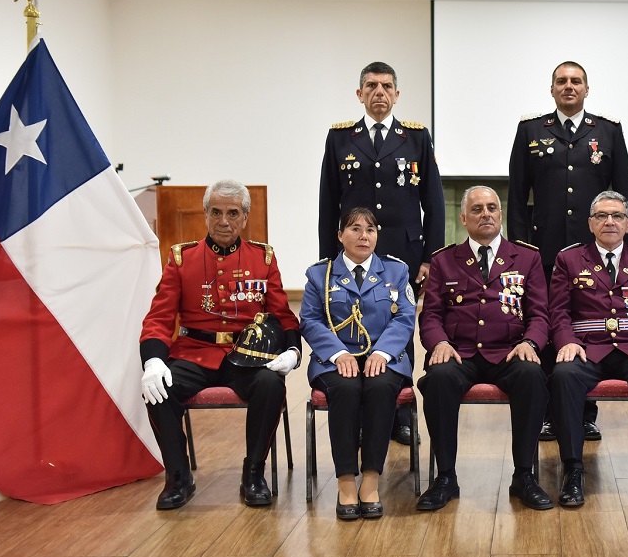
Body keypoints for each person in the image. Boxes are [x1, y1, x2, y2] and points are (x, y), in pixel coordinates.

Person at [139, 180, 301, 510]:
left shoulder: (263, 258)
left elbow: (282, 313)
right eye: (216, 212)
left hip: (245, 357)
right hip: (193, 354)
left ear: (244, 217)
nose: (223, 221)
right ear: (205, 215)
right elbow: (158, 317)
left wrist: (293, 351)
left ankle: (254, 473)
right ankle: (178, 476)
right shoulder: (181, 259)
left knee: (271, 384)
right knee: (158, 388)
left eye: (232, 213)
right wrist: (153, 361)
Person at [317, 61, 445, 446]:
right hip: (352, 255)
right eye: (371, 86)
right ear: (359, 94)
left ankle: (399, 415)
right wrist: (328, 261)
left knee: (399, 330)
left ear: (396, 94)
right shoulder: (340, 138)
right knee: (353, 326)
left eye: (386, 86)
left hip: (403, 253)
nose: (379, 92)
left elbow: (434, 202)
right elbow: (328, 203)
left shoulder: (416, 137)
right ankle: (358, 414)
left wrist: (429, 257)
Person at [508, 61, 628, 442]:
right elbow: (517, 194)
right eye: (561, 81)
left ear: (586, 89)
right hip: (542, 249)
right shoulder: (531, 130)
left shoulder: (608, 132)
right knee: (546, 325)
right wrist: (518, 248)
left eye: (575, 81)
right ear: (552, 90)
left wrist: (620, 243)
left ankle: (585, 412)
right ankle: (549, 411)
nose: (568, 87)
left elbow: (623, 190)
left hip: (593, 251)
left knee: (586, 323)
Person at [415, 186, 553, 511]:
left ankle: (524, 476)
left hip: (509, 351)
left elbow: (539, 313)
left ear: (501, 214)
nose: (486, 214)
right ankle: (445, 477)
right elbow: (431, 314)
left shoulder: (527, 257)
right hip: (459, 352)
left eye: (492, 207)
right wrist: (439, 343)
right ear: (463, 218)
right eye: (477, 209)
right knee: (438, 379)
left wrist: (530, 343)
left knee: (533, 376)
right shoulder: (444, 260)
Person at [549, 191, 628, 508]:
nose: (610, 221)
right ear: (590, 223)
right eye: (602, 216)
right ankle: (573, 469)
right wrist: (567, 342)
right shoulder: (569, 259)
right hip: (587, 349)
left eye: (617, 216)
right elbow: (558, 312)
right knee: (563, 375)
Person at [300, 207, 416, 520]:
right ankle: (346, 481)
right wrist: (338, 354)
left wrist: (384, 352)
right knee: (346, 389)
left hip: (384, 357)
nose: (363, 236)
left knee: (380, 388)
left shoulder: (396, 271)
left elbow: (405, 316)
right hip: (335, 359)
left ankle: (372, 479)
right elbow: (310, 319)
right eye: (354, 228)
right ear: (340, 236)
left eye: (370, 229)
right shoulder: (319, 275)